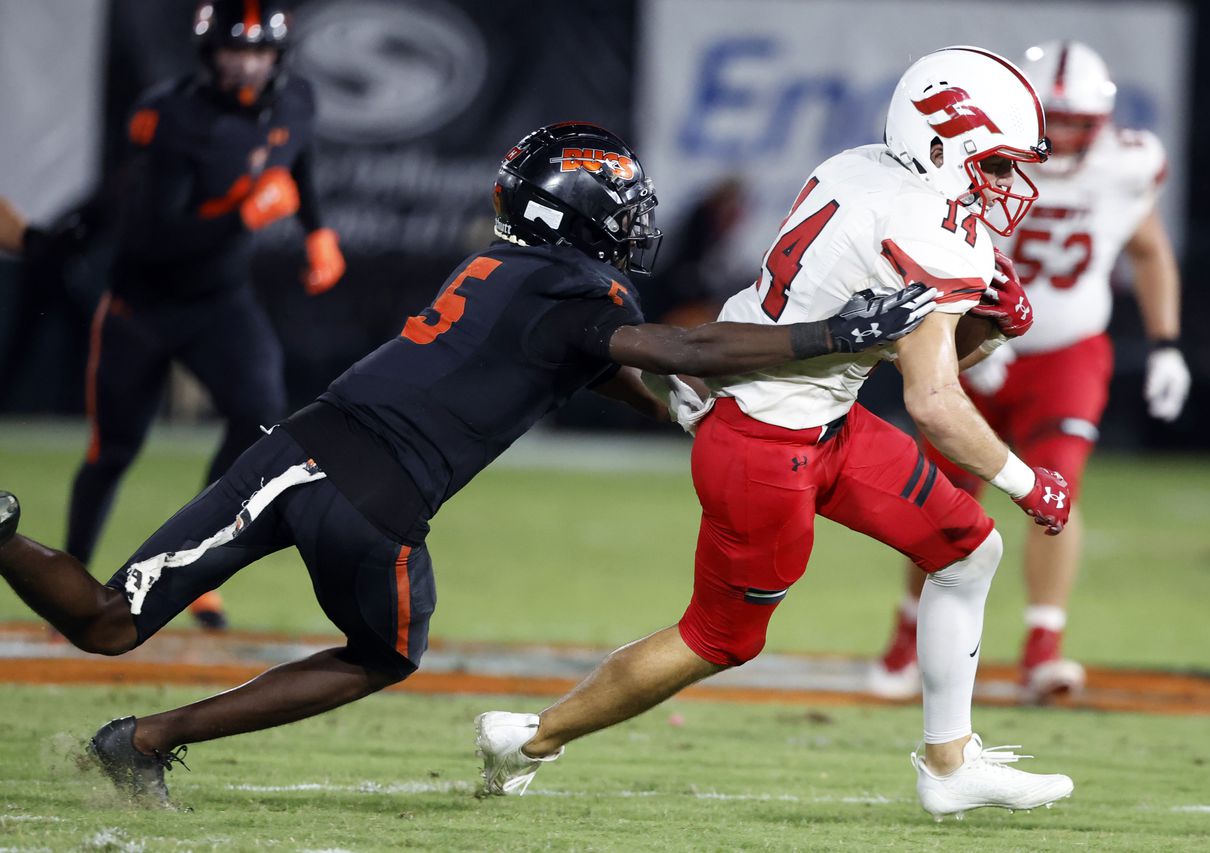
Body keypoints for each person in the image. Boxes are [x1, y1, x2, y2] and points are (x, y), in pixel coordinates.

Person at [0, 121, 935, 806]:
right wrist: (827, 333)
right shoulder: (583, 293)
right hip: (380, 503)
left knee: (111, 621)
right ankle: (151, 739)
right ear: (580, 217)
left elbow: (584, 361)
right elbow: (677, 350)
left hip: (294, 450)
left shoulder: (494, 271)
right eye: (621, 207)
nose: (633, 222)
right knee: (385, 654)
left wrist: (660, 416)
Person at [477, 46, 1076, 822]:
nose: (1003, 185)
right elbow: (932, 399)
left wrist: (984, 329)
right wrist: (1032, 483)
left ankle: (949, 763)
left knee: (967, 549)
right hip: (766, 447)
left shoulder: (860, 166)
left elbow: (901, 350)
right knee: (721, 637)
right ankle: (529, 737)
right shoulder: (927, 225)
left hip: (813, 417)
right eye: (993, 163)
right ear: (939, 145)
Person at [0, 0, 346, 630]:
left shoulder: (295, 99)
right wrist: (245, 214)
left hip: (221, 300)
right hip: (143, 304)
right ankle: (68, 581)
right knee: (113, 450)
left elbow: (296, 158)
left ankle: (201, 564)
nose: (247, 63)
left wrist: (316, 230)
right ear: (209, 54)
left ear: (278, 56)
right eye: (234, 50)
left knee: (261, 419)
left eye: (260, 51)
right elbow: (156, 237)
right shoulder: (171, 117)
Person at [868, 41, 1189, 704]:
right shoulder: (980, 150)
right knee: (944, 496)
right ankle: (907, 634)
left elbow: (1149, 249)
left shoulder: (1129, 164)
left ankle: (1043, 648)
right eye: (1057, 117)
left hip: (1068, 347)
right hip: (976, 336)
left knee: (1056, 486)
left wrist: (1166, 343)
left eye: (1080, 120)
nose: (1068, 134)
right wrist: (967, 337)